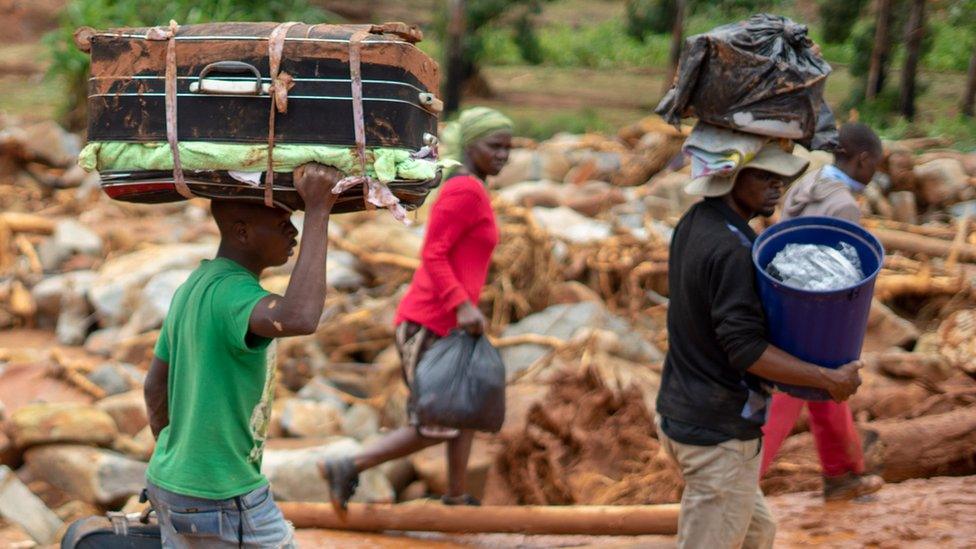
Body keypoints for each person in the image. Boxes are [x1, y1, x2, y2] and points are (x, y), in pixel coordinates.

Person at [655, 142, 864, 549]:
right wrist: (826, 377)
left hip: (681, 411)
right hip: (718, 435)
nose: (778, 186)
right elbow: (745, 349)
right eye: (765, 177)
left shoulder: (695, 222)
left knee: (757, 532)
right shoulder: (733, 250)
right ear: (730, 178)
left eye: (781, 178)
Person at [320, 107, 513, 511]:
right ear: (471, 145)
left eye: (508, 148)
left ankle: (456, 495)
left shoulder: (472, 186)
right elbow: (434, 254)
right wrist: (461, 305)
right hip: (431, 322)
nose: (503, 156)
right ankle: (349, 464)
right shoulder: (465, 190)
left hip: (453, 325)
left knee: (466, 409)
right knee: (436, 422)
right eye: (494, 146)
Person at [143, 164, 342, 548]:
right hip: (222, 494)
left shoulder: (193, 286)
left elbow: (154, 386)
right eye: (282, 221)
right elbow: (298, 317)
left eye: (296, 219)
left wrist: (178, 460)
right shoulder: (235, 296)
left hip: (171, 483)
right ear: (241, 231)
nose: (294, 230)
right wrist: (319, 210)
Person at [761, 123, 886, 501]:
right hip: (820, 314)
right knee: (786, 400)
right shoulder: (844, 205)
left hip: (783, 304)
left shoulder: (806, 185)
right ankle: (741, 485)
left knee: (825, 393)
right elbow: (846, 274)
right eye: (874, 166)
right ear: (862, 160)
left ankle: (843, 474)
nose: (874, 174)